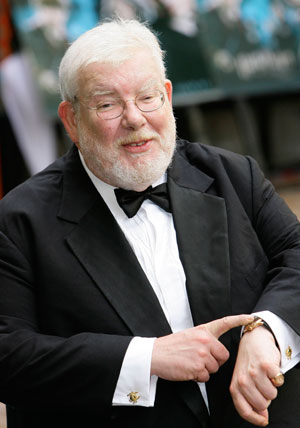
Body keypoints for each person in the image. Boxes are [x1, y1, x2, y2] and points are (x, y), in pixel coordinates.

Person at [0, 18, 300, 428]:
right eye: (107, 104)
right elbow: (9, 354)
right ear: (71, 119)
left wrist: (267, 331)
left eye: (148, 97)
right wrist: (147, 358)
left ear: (168, 96)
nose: (135, 118)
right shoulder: (20, 219)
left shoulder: (234, 175)